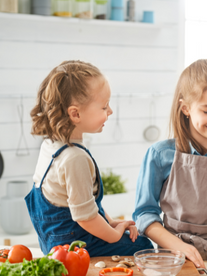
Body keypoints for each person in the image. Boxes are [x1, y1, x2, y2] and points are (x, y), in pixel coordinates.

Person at [133, 59, 207, 268]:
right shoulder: (160, 155)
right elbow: (144, 215)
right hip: (173, 258)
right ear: (186, 108)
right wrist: (177, 246)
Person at [26, 60, 153, 256]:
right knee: (143, 246)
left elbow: (84, 203)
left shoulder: (50, 145)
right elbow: (85, 218)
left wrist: (110, 222)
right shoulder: (74, 158)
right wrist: (114, 234)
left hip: (52, 243)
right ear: (75, 114)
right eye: (104, 107)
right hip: (75, 247)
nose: (110, 111)